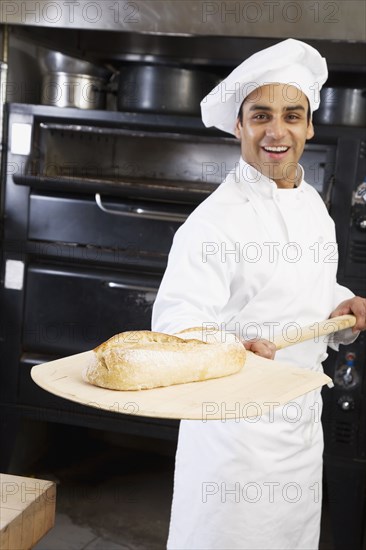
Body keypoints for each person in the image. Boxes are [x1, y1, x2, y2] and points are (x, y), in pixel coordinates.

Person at [151, 38, 366, 550]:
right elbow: (175, 325)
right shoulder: (213, 222)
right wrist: (229, 350)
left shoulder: (310, 202)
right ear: (239, 126)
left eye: (292, 116)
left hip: (298, 425)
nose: (277, 130)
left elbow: (299, 287)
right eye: (260, 115)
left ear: (310, 126)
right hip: (234, 437)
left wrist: (341, 304)